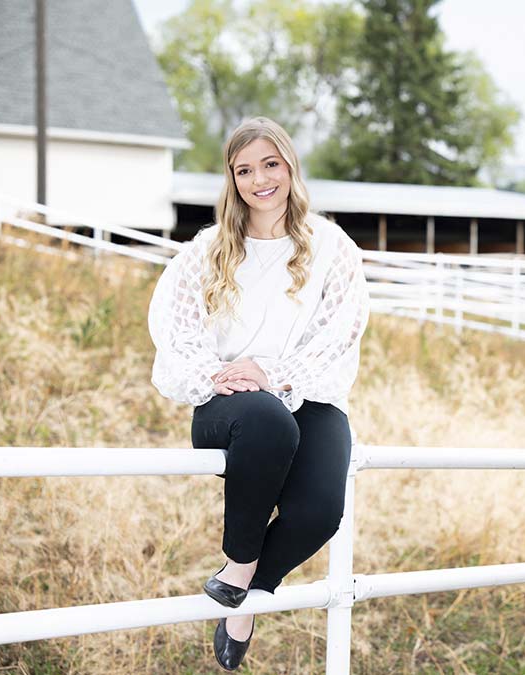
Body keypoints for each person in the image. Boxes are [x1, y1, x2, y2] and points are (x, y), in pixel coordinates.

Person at [147, 116, 370, 671]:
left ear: (290, 166)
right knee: (268, 420)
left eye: (270, 164)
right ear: (232, 179)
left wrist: (275, 373)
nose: (259, 179)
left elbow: (342, 328)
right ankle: (240, 562)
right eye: (244, 169)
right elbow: (174, 328)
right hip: (229, 405)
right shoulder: (208, 250)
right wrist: (219, 376)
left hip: (306, 390)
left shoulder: (330, 246)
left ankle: (241, 594)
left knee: (320, 511)